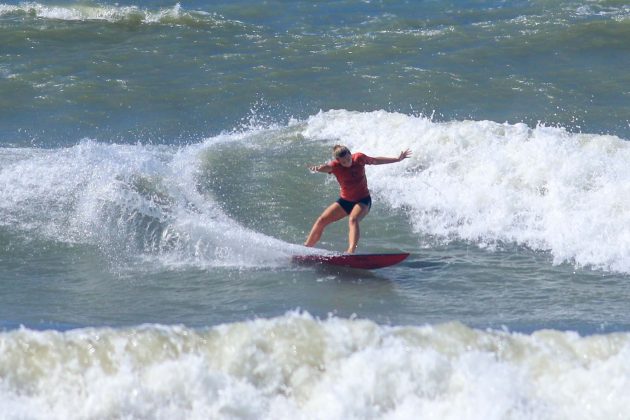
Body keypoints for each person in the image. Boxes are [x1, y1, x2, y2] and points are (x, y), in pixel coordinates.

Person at [304, 145, 412, 254]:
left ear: (351, 155)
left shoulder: (359, 158)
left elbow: (375, 160)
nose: (347, 162)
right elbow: (326, 167)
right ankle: (306, 249)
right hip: (345, 201)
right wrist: (317, 168)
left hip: (363, 200)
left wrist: (397, 159)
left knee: (353, 219)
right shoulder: (335, 166)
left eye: (348, 159)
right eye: (344, 162)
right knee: (321, 220)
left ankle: (350, 252)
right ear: (338, 161)